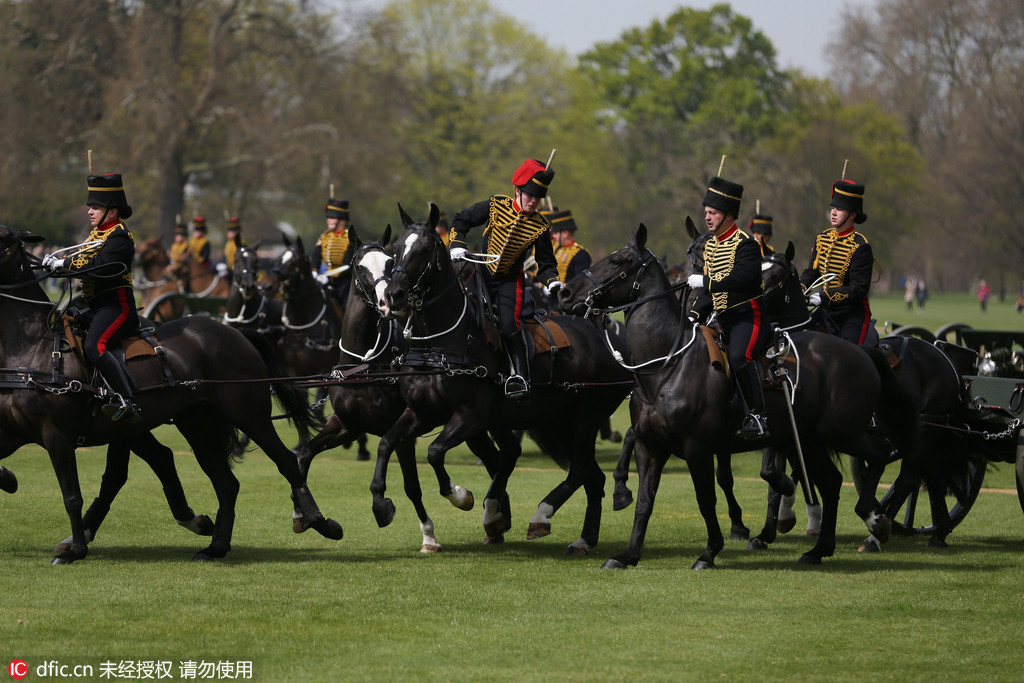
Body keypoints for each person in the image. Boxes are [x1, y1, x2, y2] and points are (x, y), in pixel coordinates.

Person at [449, 158, 560, 398]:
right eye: (529, 194)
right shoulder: (495, 205)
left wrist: (552, 281)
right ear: (517, 191)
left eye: (537, 197)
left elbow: (547, 263)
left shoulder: (541, 226)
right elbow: (461, 220)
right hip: (481, 275)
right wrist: (457, 244)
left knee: (510, 325)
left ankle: (520, 377)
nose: (532, 201)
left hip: (510, 282)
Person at [42, 173, 142, 422]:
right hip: (97, 309)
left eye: (95, 207)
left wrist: (64, 263)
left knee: (94, 346)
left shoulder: (119, 236)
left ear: (112, 210)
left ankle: (127, 400)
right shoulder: (95, 235)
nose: (89, 211)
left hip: (118, 309)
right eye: (90, 207)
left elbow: (99, 266)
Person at [685, 175, 771, 437]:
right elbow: (709, 294)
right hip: (721, 318)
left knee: (738, 357)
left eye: (712, 213)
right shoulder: (710, 245)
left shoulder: (746, 243)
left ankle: (759, 416)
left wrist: (706, 281)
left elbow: (743, 278)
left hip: (749, 316)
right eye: (706, 213)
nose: (707, 218)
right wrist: (692, 316)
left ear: (728, 215)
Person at [800, 178, 878, 346]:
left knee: (851, 355)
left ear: (853, 214)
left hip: (851, 314)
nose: (834, 213)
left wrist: (824, 296)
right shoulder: (822, 239)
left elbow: (858, 290)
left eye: (840, 209)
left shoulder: (861, 246)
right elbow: (812, 272)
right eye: (833, 208)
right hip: (826, 311)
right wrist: (801, 287)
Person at [312, 197, 355, 308]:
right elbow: (316, 259)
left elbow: (347, 265)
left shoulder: (349, 238)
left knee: (347, 307)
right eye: (328, 217)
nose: (328, 220)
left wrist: (327, 275)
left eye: (332, 217)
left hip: (344, 283)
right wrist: (314, 272)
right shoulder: (324, 237)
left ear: (342, 220)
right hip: (325, 282)